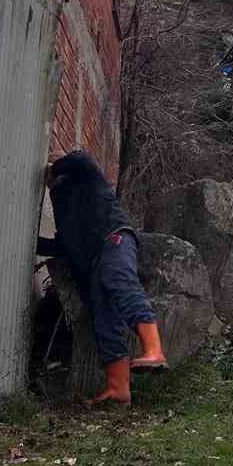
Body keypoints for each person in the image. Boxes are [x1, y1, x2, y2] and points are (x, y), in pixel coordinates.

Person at [38, 149, 167, 406]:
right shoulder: (64, 212)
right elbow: (62, 247)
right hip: (93, 263)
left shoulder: (87, 179)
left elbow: (82, 159)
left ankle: (154, 350)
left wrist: (54, 167)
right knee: (105, 320)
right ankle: (118, 388)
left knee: (119, 281)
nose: (51, 185)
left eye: (53, 179)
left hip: (114, 239)